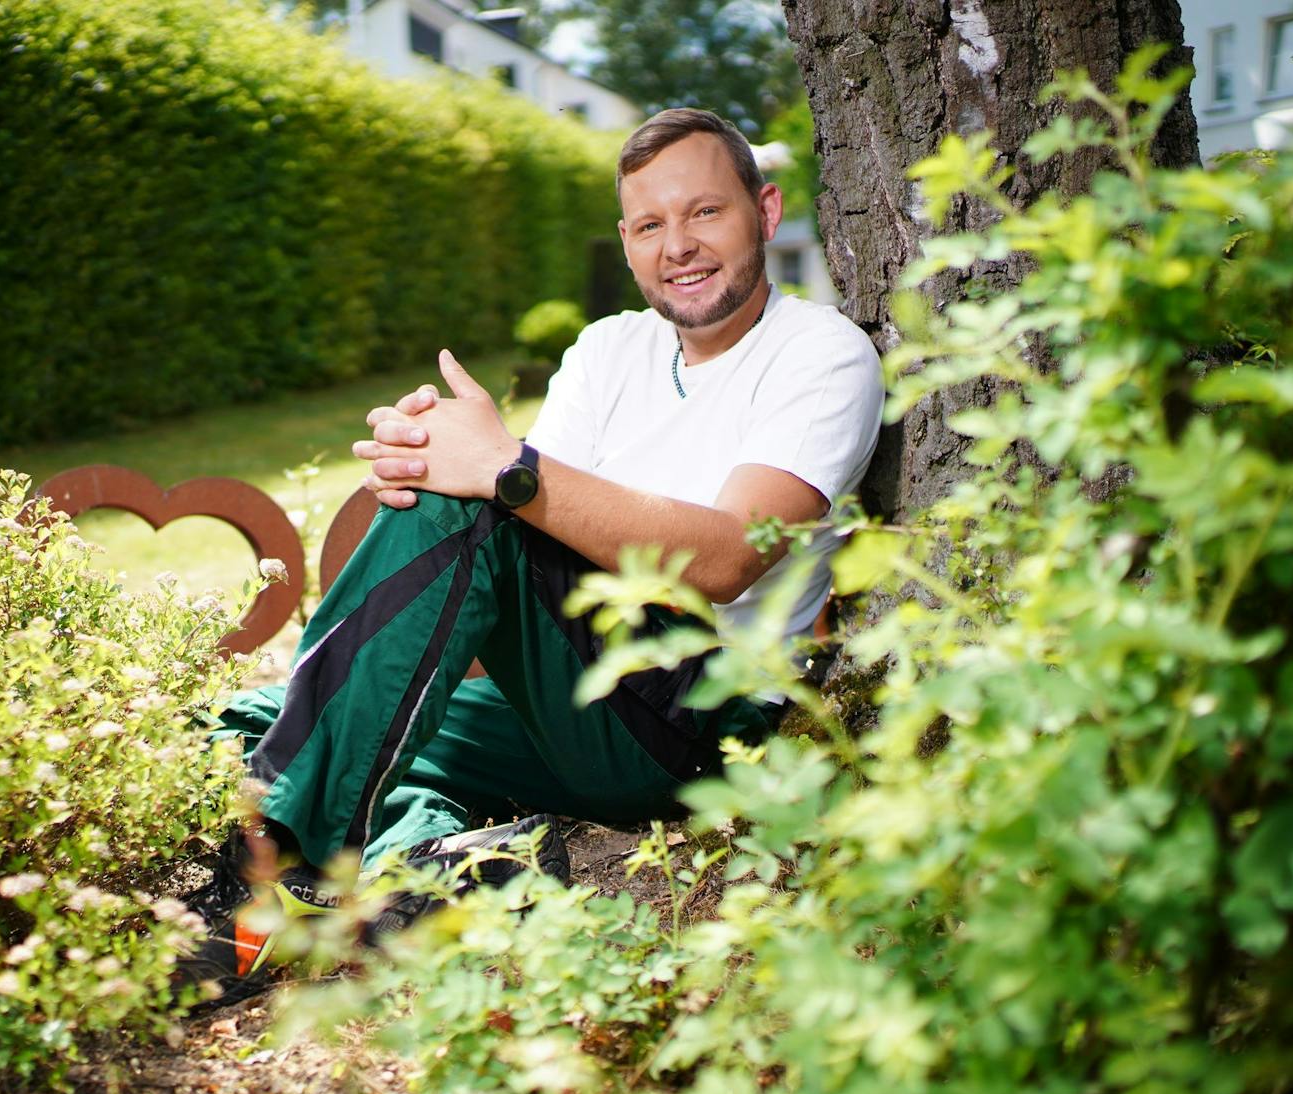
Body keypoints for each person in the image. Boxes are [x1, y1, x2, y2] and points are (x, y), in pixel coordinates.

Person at [178, 107, 883, 1005]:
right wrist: (442, 463)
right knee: (253, 722)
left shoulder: (823, 353)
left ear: (766, 209)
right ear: (627, 244)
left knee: (471, 508)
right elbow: (519, 528)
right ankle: (444, 867)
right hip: (573, 698)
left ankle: (265, 885)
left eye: (704, 212)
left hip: (698, 718)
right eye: (650, 225)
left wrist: (494, 470)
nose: (680, 245)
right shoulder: (607, 349)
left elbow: (731, 556)